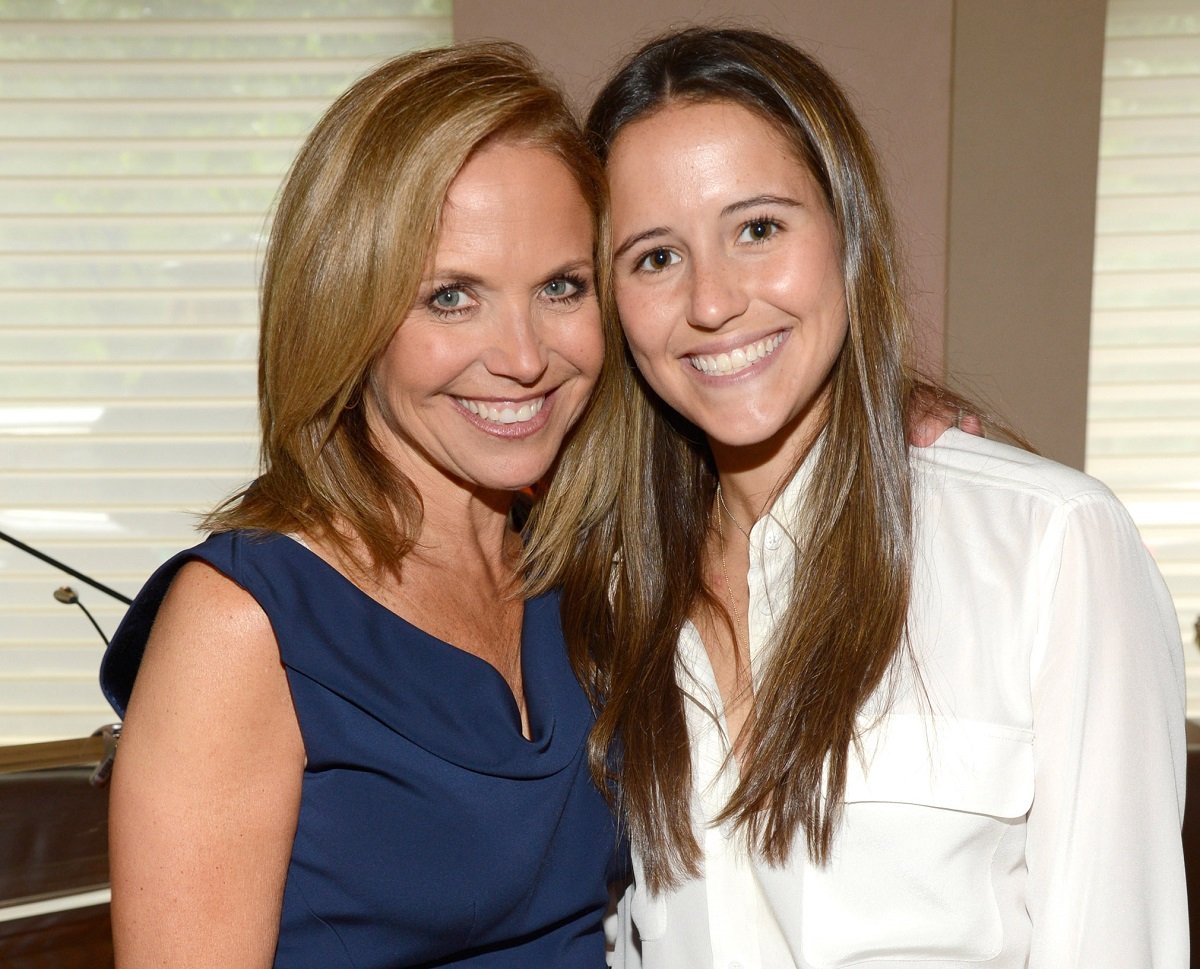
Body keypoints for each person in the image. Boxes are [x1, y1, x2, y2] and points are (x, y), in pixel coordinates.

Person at [526, 27, 1188, 968]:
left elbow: (1121, 942)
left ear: (848, 230)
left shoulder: (1050, 546)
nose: (713, 301)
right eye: (655, 258)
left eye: (759, 228)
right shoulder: (602, 590)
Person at [99, 42, 625, 968]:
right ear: (349, 312)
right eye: (451, 297)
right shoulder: (244, 624)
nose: (525, 356)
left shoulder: (577, 566)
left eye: (560, 286)